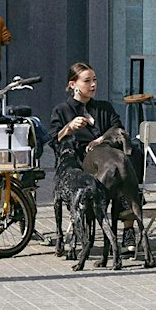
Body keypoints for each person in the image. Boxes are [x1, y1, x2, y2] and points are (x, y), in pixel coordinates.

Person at [50, 62, 143, 242]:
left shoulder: (104, 107)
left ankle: (128, 224)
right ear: (72, 85)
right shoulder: (62, 110)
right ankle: (114, 217)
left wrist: (101, 139)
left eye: (95, 80)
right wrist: (68, 128)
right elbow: (54, 141)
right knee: (114, 167)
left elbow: (119, 129)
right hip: (82, 161)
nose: (93, 85)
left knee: (133, 154)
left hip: (109, 157)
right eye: (87, 81)